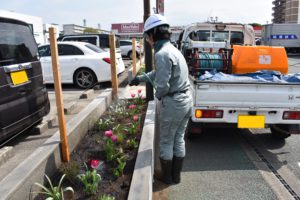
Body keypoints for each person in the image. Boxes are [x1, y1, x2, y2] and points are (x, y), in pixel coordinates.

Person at [129, 14, 192, 185]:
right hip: (186, 100)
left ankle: (166, 178)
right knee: (178, 138)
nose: (147, 40)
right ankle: (176, 177)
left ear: (153, 34)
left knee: (166, 141)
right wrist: (141, 78)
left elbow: (162, 86)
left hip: (174, 103)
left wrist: (158, 97)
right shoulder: (172, 50)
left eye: (147, 36)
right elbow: (160, 74)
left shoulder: (161, 54)